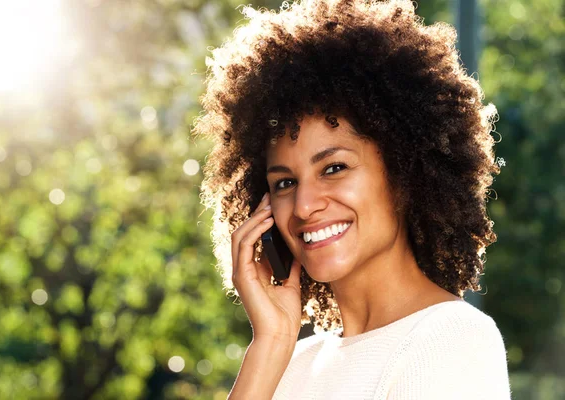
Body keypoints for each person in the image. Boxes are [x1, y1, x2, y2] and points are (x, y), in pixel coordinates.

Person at [192, 0, 511, 398]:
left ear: (404, 170)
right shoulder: (288, 362)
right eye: (285, 183)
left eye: (334, 168)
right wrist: (271, 342)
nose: (305, 205)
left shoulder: (449, 339)